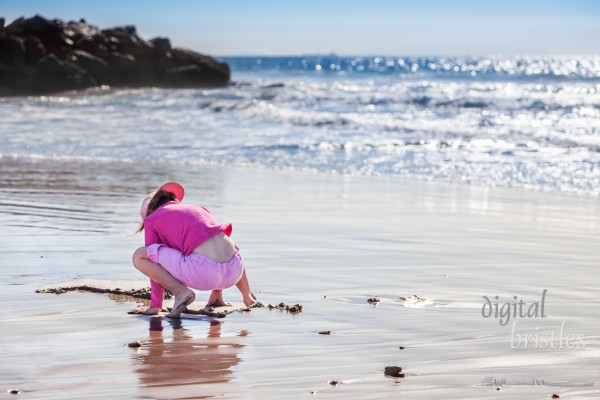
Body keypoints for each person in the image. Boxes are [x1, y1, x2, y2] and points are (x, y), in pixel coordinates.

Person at [132, 182, 257, 318]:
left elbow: (152, 259)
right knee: (228, 245)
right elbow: (214, 247)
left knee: (140, 255)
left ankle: (181, 293)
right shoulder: (198, 208)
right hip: (234, 271)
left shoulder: (152, 219)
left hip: (204, 274)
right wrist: (217, 290)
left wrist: (155, 306)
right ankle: (247, 296)